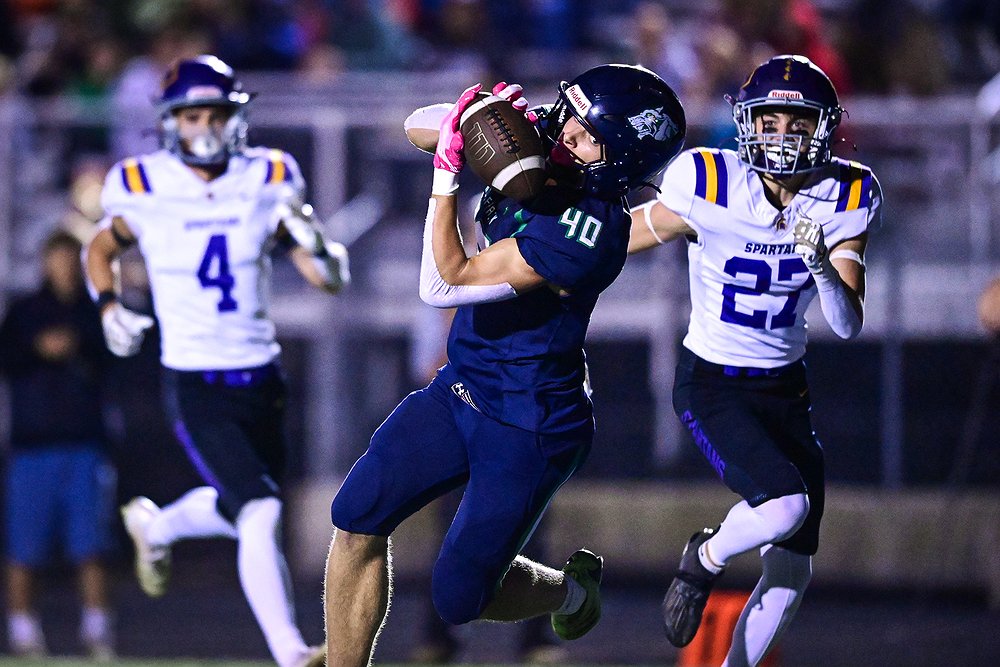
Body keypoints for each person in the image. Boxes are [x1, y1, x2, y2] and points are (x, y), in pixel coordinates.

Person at [322, 64, 686, 666]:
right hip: (462, 385)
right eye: (571, 117)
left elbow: (445, 284)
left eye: (588, 136)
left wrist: (446, 174)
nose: (567, 134)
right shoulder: (553, 135)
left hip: (529, 420)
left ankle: (571, 593)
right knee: (356, 516)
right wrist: (468, 119)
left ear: (620, 161)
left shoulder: (591, 230)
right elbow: (416, 126)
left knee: (458, 596)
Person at [84, 55, 349, 667]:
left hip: (263, 373)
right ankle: (290, 652)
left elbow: (328, 279)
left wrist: (319, 244)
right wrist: (108, 306)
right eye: (192, 115)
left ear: (237, 118)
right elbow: (99, 248)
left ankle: (158, 527)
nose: (204, 127)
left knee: (241, 504)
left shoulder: (268, 175)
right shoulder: (143, 183)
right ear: (169, 122)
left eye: (216, 114)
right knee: (260, 510)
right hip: (195, 375)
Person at [628, 55, 882, 666]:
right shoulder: (709, 182)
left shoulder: (846, 193)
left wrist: (821, 264)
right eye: (770, 121)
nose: (782, 135)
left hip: (785, 388)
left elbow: (847, 324)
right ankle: (704, 558)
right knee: (784, 506)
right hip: (713, 382)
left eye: (798, 123)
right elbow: (622, 235)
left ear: (823, 127)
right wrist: (536, 257)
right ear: (748, 123)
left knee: (793, 566)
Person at [0, 230, 116, 660]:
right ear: (46, 263)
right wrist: (38, 349)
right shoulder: (25, 313)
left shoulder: (93, 312)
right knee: (23, 548)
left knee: (91, 545)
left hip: (84, 445)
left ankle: (98, 632)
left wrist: (78, 345)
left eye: (71, 260)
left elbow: (115, 361)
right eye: (58, 259)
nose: (64, 268)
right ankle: (23, 632)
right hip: (32, 448)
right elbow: (8, 359)